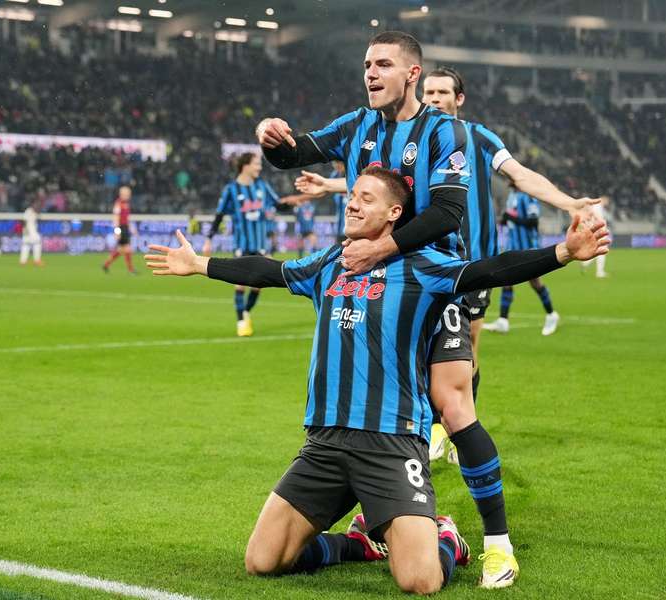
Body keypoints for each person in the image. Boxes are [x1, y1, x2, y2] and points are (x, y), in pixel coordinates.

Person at [145, 167, 609, 595]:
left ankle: (447, 538)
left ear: (393, 214)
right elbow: (270, 271)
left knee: (420, 580)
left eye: (365, 198)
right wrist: (200, 263)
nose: (351, 203)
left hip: (391, 443)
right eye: (351, 196)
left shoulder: (423, 266)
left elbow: (488, 269)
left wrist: (564, 252)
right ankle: (358, 545)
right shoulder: (331, 261)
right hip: (325, 443)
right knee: (263, 561)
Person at [268, 34, 598, 587]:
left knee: (453, 403)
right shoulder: (356, 126)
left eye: (383, 64)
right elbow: (294, 152)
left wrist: (567, 207)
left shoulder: (453, 134)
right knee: (371, 405)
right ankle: (381, 522)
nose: (371, 73)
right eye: (367, 64)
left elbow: (449, 212)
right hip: (371, 282)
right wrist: (273, 140)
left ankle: (495, 544)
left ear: (414, 75)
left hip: (435, 282)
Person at [202, 152, 304, 337]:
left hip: (260, 244)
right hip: (241, 245)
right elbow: (219, 216)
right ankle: (241, 321)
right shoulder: (231, 190)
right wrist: (209, 239)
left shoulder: (262, 186)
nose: (259, 167)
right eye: (256, 164)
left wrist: (295, 202)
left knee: (258, 285)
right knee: (240, 284)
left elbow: (278, 205)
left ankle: (246, 311)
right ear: (246, 166)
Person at [484, 186, 559, 335]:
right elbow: (510, 220)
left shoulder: (529, 196)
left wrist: (511, 217)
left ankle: (551, 314)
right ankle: (503, 320)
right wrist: (504, 220)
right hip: (513, 246)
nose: (507, 179)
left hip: (528, 247)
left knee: (535, 281)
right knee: (507, 280)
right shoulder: (512, 195)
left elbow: (533, 222)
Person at [102, 186, 137, 275]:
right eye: (127, 194)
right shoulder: (118, 204)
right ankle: (131, 270)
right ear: (122, 194)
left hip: (125, 228)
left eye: (129, 194)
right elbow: (116, 219)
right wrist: (117, 231)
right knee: (127, 249)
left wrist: (131, 228)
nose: (128, 196)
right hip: (121, 228)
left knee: (121, 250)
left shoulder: (126, 204)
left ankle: (106, 264)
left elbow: (126, 218)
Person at [581, 196, 610, 278]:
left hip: (594, 231)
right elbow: (598, 218)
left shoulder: (594, 207)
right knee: (602, 250)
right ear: (603, 200)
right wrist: (604, 228)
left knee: (597, 249)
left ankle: (586, 263)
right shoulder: (598, 207)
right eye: (606, 201)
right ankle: (599, 272)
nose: (607, 203)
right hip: (599, 231)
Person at [19, 201, 43, 266]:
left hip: (31, 232)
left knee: (26, 245)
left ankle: (23, 261)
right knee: (37, 243)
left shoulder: (34, 212)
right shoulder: (28, 211)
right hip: (29, 232)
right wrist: (25, 230)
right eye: (36, 205)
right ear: (32, 205)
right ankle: (37, 260)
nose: (37, 206)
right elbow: (24, 221)